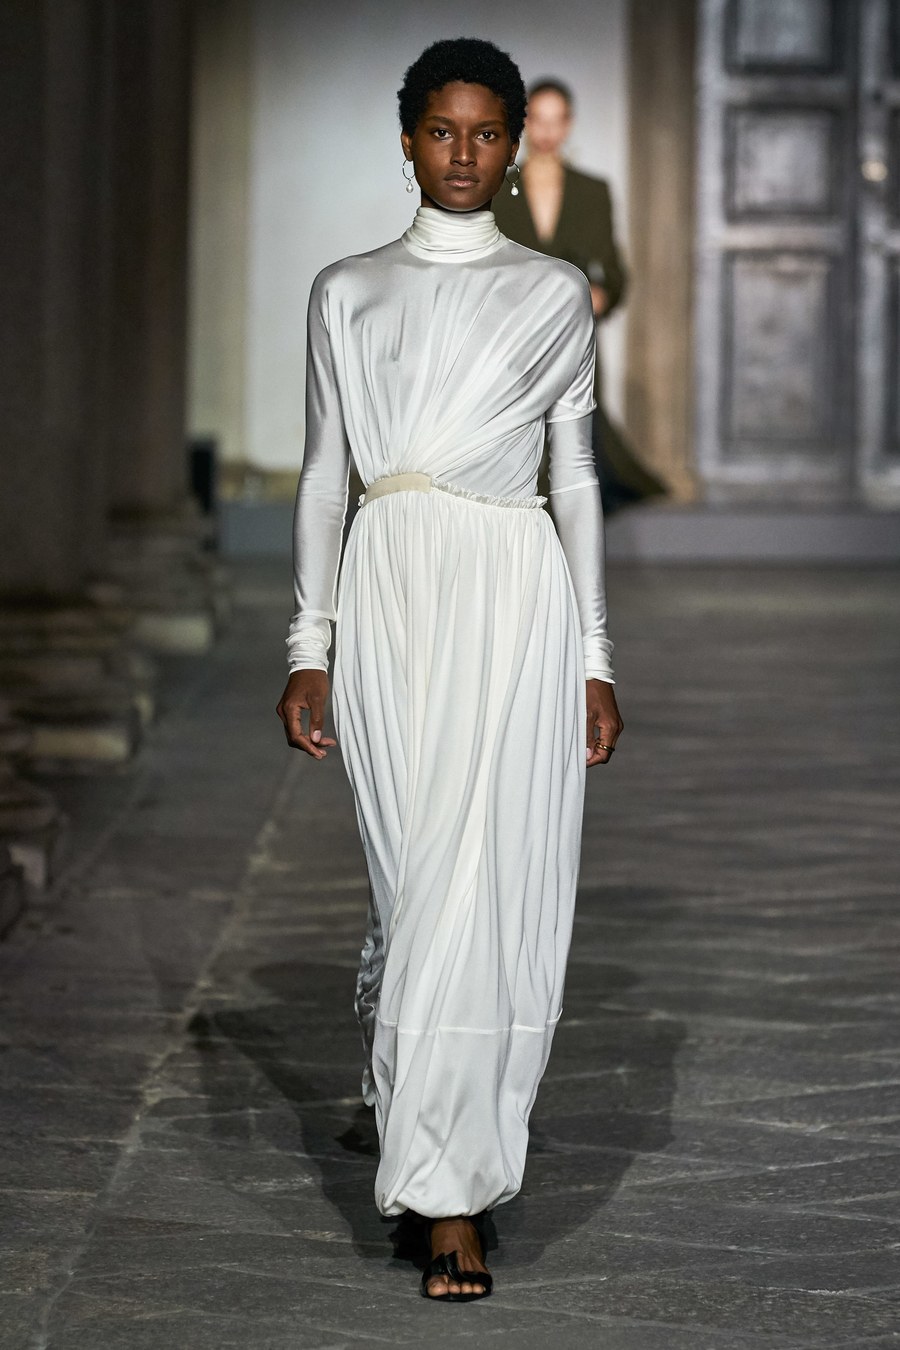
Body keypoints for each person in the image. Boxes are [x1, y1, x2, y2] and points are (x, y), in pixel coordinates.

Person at [276, 37, 623, 1303]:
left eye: (487, 133)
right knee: (415, 873)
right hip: (390, 587)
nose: (464, 153)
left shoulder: (553, 293)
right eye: (442, 130)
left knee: (485, 886)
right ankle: (403, 1077)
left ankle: (449, 1194)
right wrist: (307, 645)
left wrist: (593, 657)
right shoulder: (347, 292)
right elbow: (325, 477)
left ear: (517, 145)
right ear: (408, 139)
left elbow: (574, 482)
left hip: (515, 593)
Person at [492, 78, 666, 513]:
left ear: (569, 124)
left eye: (557, 120)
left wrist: (602, 294)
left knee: (574, 437)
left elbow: (614, 270)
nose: (547, 131)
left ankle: (574, 517)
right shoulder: (497, 187)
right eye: (538, 119)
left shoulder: (591, 191)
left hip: (572, 330)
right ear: (524, 122)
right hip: (513, 333)